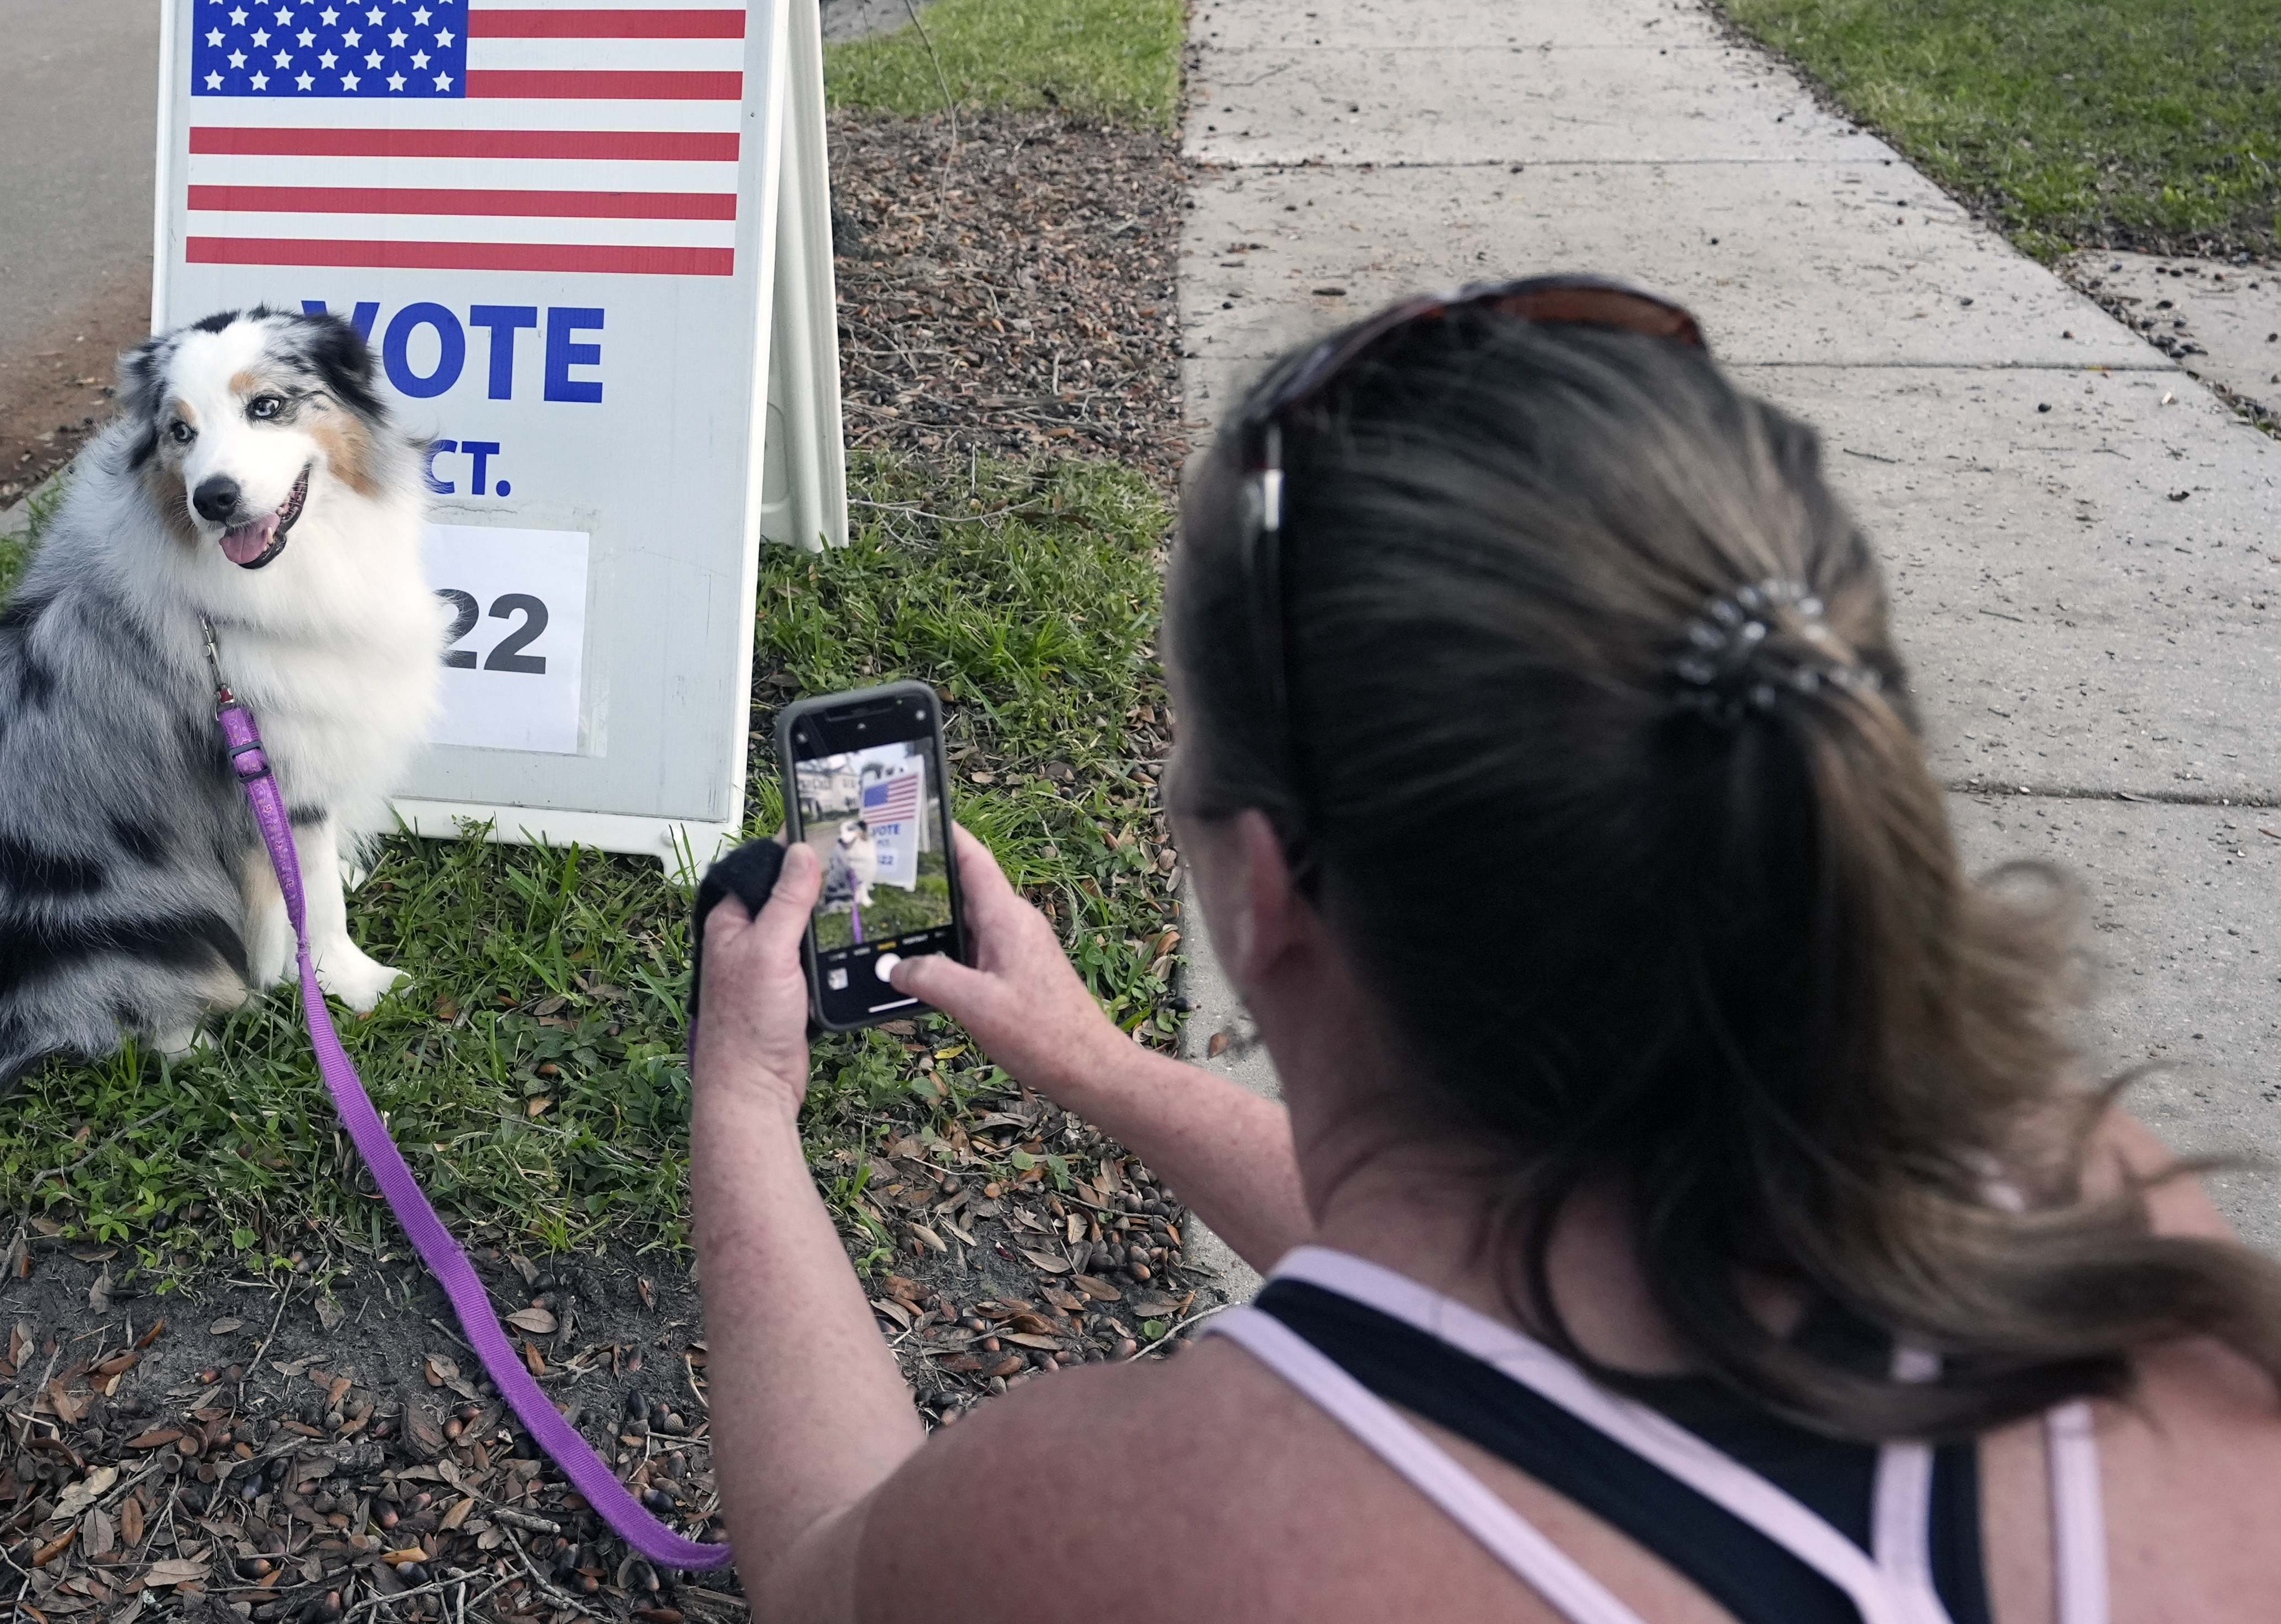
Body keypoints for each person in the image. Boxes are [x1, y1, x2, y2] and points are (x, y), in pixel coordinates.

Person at [687, 278, 2281, 1624]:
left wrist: (744, 1103)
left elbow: (830, 1561)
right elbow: (1502, 1298)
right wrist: (1104, 1069)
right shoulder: (2089, 1208)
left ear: (1263, 882)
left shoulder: (1167, 1520)